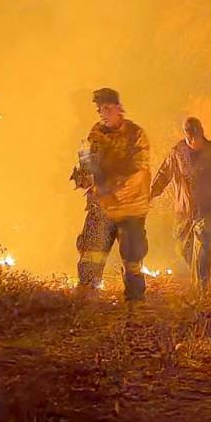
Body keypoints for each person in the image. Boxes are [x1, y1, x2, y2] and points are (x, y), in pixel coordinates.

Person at [70, 88, 151, 302]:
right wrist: (84, 176)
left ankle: (134, 309)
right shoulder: (96, 133)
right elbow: (89, 165)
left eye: (106, 108)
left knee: (133, 260)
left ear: (119, 108)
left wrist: (112, 188)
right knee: (91, 252)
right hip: (102, 205)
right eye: (99, 110)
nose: (103, 114)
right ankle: (86, 300)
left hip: (130, 206)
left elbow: (138, 171)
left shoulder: (136, 134)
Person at [150, 117, 211, 293]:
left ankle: (202, 291)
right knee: (181, 247)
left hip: (209, 208)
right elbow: (164, 174)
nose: (192, 141)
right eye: (189, 137)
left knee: (202, 248)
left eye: (195, 137)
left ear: (201, 134)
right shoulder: (177, 152)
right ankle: (201, 271)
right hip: (184, 210)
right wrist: (152, 193)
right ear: (185, 135)